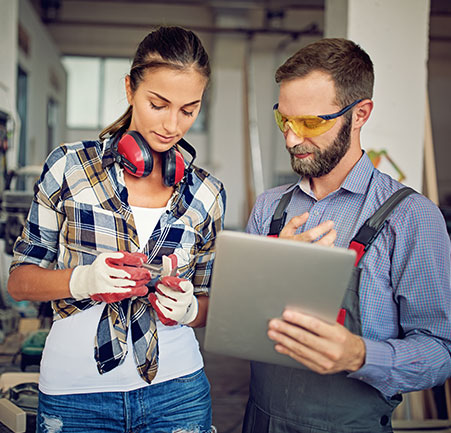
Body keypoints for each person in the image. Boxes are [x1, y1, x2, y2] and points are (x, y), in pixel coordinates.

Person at [8, 26, 225, 433]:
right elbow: (19, 282)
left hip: (178, 393)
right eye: (157, 104)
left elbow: (209, 300)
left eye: (188, 109)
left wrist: (192, 309)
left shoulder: (207, 193)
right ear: (130, 88)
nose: (172, 125)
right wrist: (83, 279)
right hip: (76, 397)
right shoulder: (68, 168)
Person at [242, 38, 451, 433]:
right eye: (283, 120)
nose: (290, 138)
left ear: (360, 114)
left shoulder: (411, 218)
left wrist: (359, 355)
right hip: (261, 421)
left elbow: (440, 353)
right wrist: (265, 274)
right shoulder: (269, 208)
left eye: (311, 123)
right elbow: (241, 325)